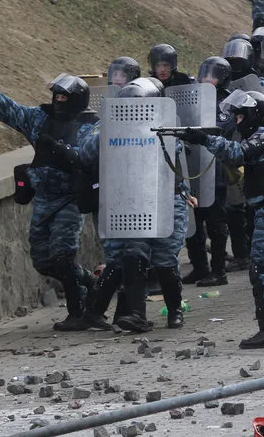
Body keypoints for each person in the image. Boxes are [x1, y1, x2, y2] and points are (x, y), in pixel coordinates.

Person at [0, 69, 98, 331]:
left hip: (69, 199)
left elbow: (86, 156)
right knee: (43, 262)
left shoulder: (91, 125)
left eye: (64, 97)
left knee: (63, 256)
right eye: (56, 96)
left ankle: (79, 311)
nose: (58, 101)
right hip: (43, 199)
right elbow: (8, 109)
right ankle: (90, 281)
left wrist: (61, 149)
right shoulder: (40, 119)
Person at [180, 90, 264, 349]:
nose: (237, 122)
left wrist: (204, 139)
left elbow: (237, 153)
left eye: (239, 117)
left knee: (261, 268)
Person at [80, 80, 191, 332]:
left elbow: (177, 152)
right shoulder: (108, 126)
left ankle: (175, 312)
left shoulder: (164, 125)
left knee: (165, 259)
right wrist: (109, 129)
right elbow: (86, 152)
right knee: (134, 254)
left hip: (166, 199)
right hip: (132, 200)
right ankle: (136, 315)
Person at [182, 57, 235, 288]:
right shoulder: (194, 98)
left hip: (216, 169)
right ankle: (200, 266)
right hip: (194, 166)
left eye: (212, 75)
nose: (206, 78)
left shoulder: (228, 102)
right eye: (204, 74)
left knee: (215, 221)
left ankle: (218, 269)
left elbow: (223, 128)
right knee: (194, 221)